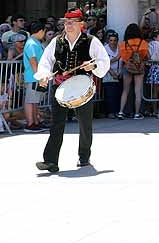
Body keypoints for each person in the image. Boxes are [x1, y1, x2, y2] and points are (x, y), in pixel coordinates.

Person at [34, 9, 111, 172]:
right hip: (60, 87)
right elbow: (46, 61)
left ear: (81, 24)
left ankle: (84, 156)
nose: (67, 25)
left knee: (85, 124)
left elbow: (104, 61)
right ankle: (50, 161)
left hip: (82, 89)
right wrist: (43, 75)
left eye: (71, 22)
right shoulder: (57, 41)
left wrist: (94, 65)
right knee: (56, 124)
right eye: (66, 22)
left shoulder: (91, 41)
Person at [118, 23, 148, 119]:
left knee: (125, 90)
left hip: (128, 67)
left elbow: (123, 58)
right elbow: (145, 56)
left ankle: (121, 112)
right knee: (138, 91)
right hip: (139, 67)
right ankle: (137, 113)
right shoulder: (143, 43)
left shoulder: (124, 44)